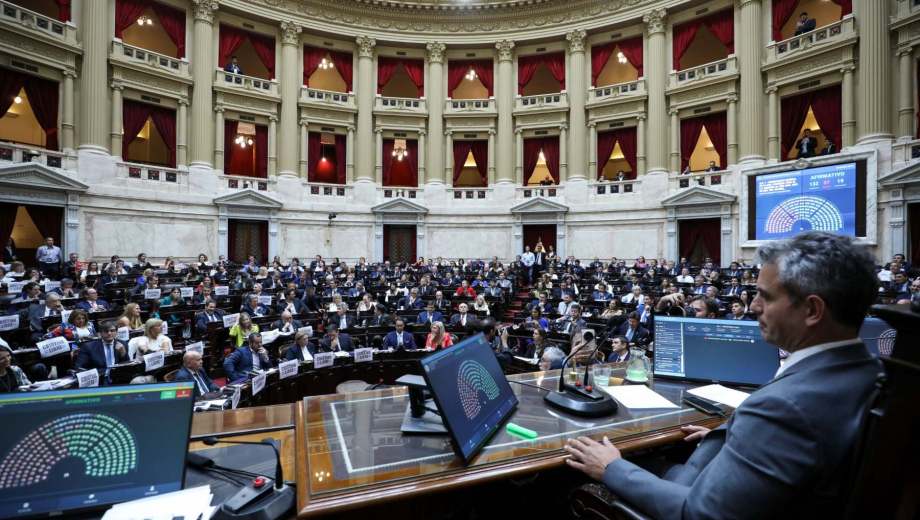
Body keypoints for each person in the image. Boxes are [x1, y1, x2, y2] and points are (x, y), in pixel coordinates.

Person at [565, 231, 882, 518]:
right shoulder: (873, 373)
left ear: (813, 310)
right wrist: (743, 441)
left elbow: (698, 514)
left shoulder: (784, 409)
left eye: (766, 296)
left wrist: (611, 467)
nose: (754, 306)